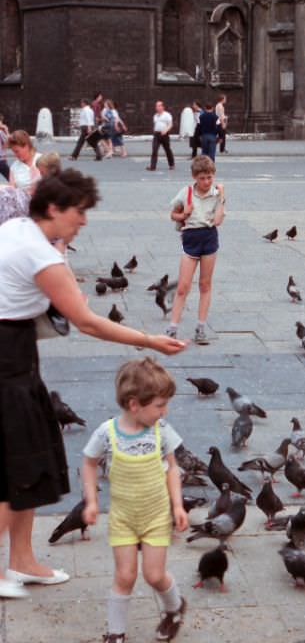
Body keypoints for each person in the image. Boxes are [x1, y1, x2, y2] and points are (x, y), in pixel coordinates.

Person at [0, 169, 185, 600]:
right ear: (53, 209)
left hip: (16, 352)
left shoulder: (18, 229)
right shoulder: (37, 254)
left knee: (24, 466)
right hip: (7, 361)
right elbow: (86, 321)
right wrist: (148, 339)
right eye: (78, 212)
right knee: (13, 470)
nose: (84, 220)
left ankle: (23, 560)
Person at [81, 357, 188, 643]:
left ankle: (174, 607)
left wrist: (177, 506)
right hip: (123, 519)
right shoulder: (107, 433)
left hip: (155, 517)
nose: (164, 411)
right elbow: (89, 463)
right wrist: (91, 501)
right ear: (133, 404)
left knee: (154, 575)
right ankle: (115, 633)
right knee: (125, 576)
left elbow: (172, 469)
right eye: (159, 405)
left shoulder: (161, 431)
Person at [168, 155, 225, 345]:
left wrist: (222, 198)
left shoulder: (216, 194)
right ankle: (172, 328)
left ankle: (201, 327)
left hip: (209, 237)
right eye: (202, 178)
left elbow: (217, 221)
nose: (207, 182)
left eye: (210, 177)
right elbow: (173, 214)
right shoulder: (186, 193)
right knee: (183, 286)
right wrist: (183, 214)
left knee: (205, 285)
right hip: (191, 238)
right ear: (195, 177)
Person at [147, 101, 175, 172]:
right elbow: (155, 124)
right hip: (157, 135)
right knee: (154, 149)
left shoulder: (167, 115)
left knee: (167, 149)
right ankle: (152, 166)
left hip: (164, 134)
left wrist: (166, 130)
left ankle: (171, 164)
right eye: (156, 106)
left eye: (159, 106)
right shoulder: (155, 116)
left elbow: (170, 124)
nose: (157, 107)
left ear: (162, 107)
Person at [0, 115, 11, 180]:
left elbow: (8, 144)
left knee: (10, 177)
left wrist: (6, 131)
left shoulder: (1, 132)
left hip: (1, 160)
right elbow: (9, 144)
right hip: (1, 160)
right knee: (11, 178)